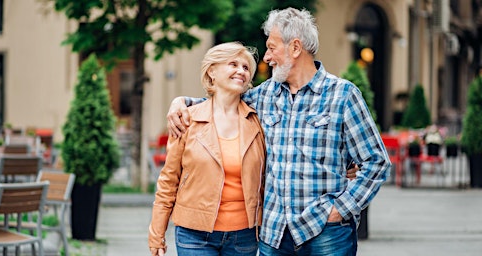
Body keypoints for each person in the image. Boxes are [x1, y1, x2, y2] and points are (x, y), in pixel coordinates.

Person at [166, 7, 391, 256]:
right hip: (274, 234)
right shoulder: (263, 95)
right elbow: (220, 102)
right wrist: (182, 102)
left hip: (327, 233)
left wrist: (341, 209)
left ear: (295, 48)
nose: (266, 57)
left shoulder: (343, 94)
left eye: (272, 48)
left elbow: (377, 162)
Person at [148, 42, 267, 256]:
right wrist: (157, 232)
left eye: (246, 67)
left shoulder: (258, 122)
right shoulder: (187, 119)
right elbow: (169, 179)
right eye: (233, 64)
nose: (241, 71)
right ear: (212, 71)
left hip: (245, 234)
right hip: (195, 233)